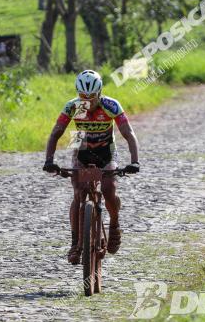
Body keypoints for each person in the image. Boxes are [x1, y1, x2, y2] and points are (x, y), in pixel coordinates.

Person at [43, 70, 140, 265]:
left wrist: (134, 160)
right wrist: (49, 160)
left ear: (100, 93)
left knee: (108, 189)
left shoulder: (111, 106)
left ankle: (114, 224)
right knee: (78, 194)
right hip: (81, 146)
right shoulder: (73, 107)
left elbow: (128, 133)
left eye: (92, 97)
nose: (87, 101)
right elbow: (56, 133)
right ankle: (75, 242)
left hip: (106, 150)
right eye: (83, 97)